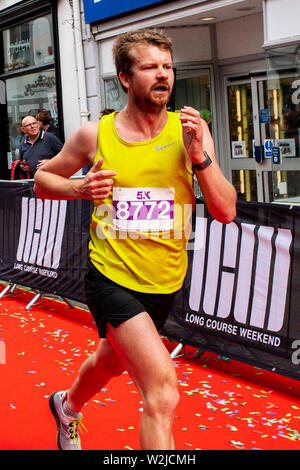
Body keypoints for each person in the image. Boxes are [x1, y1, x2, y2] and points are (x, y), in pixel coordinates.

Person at [34, 28, 237, 451]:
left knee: (109, 362)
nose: (162, 75)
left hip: (164, 281)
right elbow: (42, 179)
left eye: (167, 67)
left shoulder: (189, 132)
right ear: (126, 78)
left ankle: (65, 406)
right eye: (150, 67)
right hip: (110, 276)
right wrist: (79, 189)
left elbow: (225, 210)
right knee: (162, 391)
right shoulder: (95, 135)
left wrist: (199, 155)